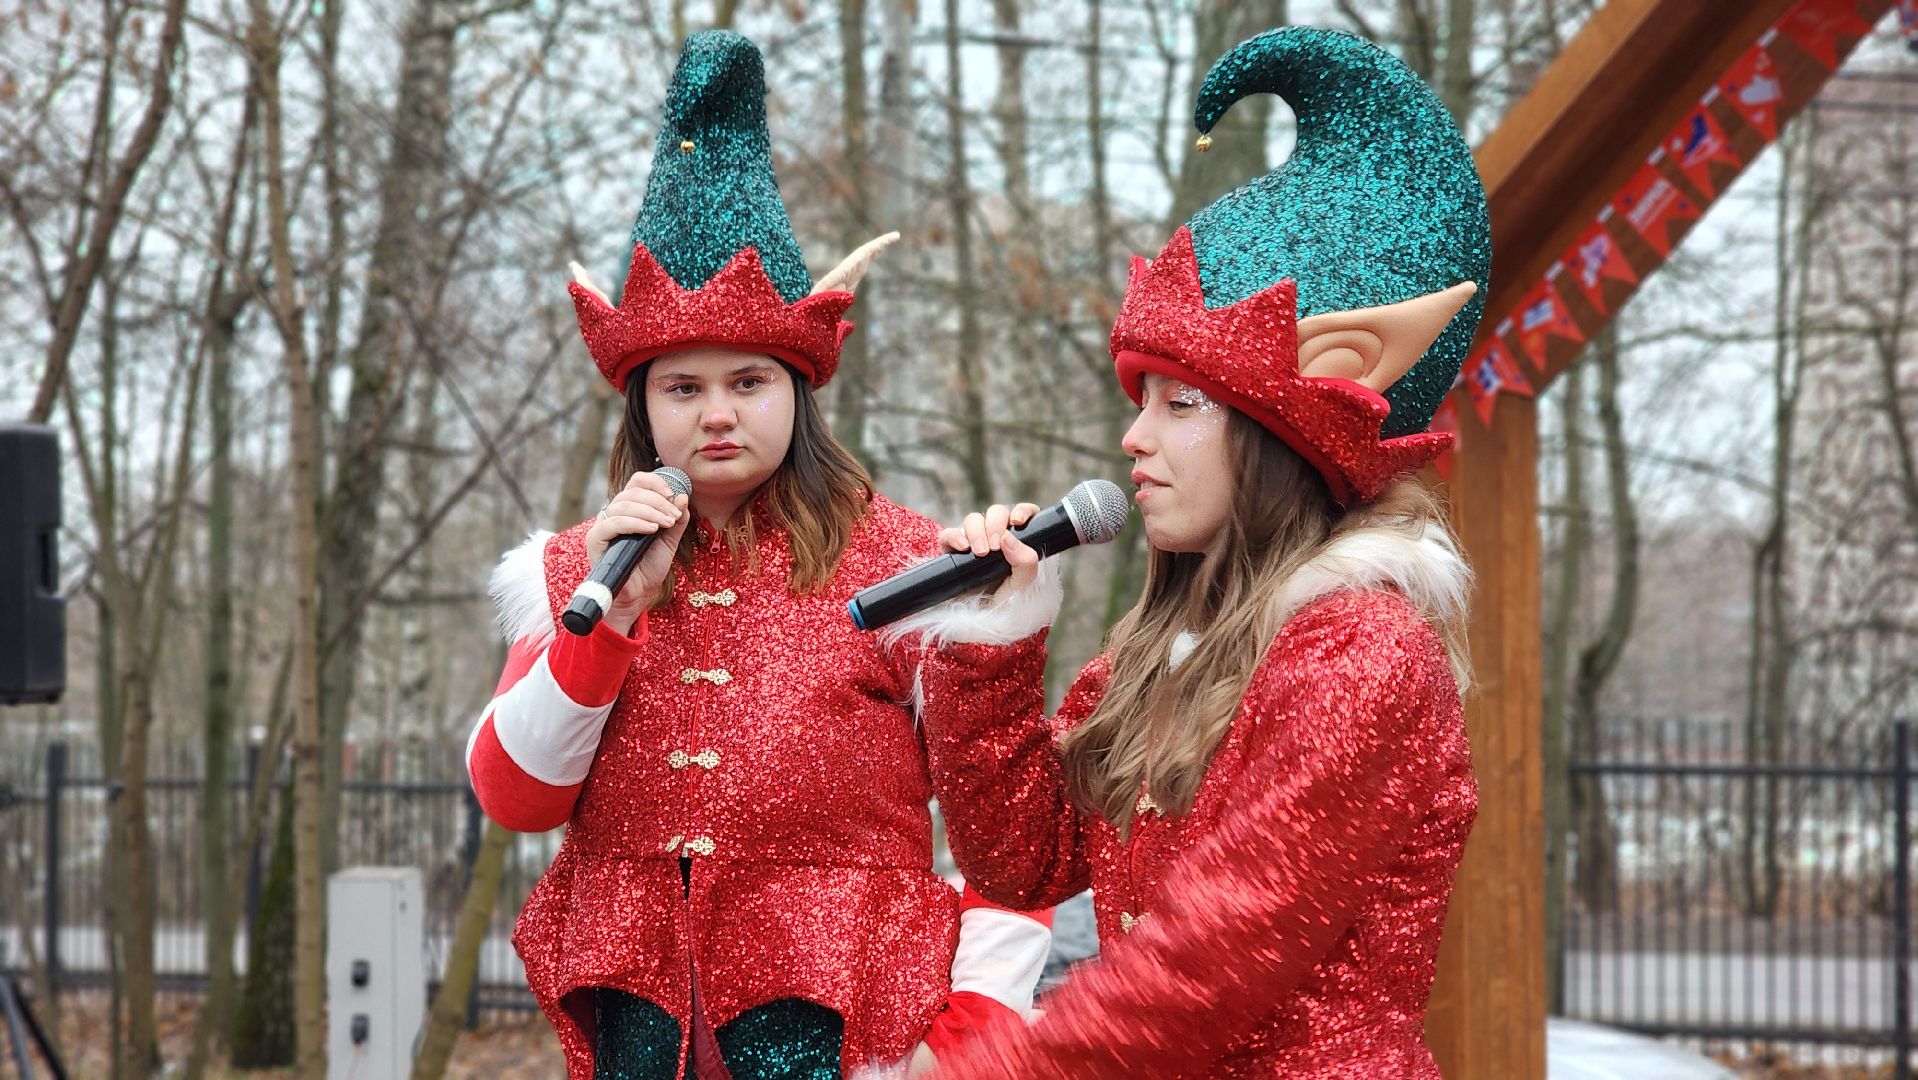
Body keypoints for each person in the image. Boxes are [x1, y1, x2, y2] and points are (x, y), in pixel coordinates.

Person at [891, 26, 1490, 1078]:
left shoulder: (1359, 655)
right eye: (1139, 402)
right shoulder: (1168, 651)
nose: (1134, 437)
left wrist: (1002, 1071)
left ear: (1279, 433)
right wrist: (992, 639)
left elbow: (1224, 945)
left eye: (1180, 404)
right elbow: (1021, 857)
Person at [464, 31, 1050, 1080]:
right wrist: (611, 623)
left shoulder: (911, 565)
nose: (718, 413)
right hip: (636, 1035)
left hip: (859, 1038)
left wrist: (963, 1042)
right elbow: (515, 797)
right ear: (642, 403)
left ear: (799, 389)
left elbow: (1010, 841)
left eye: (749, 382)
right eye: (683, 389)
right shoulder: (577, 570)